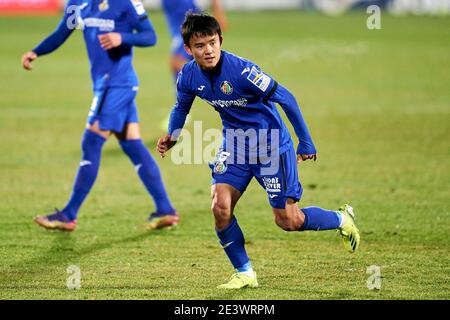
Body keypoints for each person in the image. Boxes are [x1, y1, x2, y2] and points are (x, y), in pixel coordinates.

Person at [157, 13, 360, 289]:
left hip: (272, 146)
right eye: (200, 45)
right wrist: (173, 135)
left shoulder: (243, 72)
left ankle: (341, 218)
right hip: (236, 146)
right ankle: (244, 273)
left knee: (289, 221)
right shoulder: (189, 75)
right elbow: (181, 106)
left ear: (221, 41)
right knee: (220, 206)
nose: (208, 50)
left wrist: (306, 140)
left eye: (212, 43)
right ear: (188, 50)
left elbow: (286, 97)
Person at [22, 0, 178, 231]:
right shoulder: (79, 3)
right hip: (104, 84)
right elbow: (62, 31)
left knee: (91, 141)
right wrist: (37, 51)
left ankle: (69, 214)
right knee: (133, 145)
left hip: (118, 85)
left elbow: (149, 36)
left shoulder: (126, 3)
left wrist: (122, 38)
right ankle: (165, 209)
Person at [159, 0, 228, 131]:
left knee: (177, 62)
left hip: (189, 22)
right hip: (176, 25)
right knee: (183, 64)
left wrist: (219, 13)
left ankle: (183, 109)